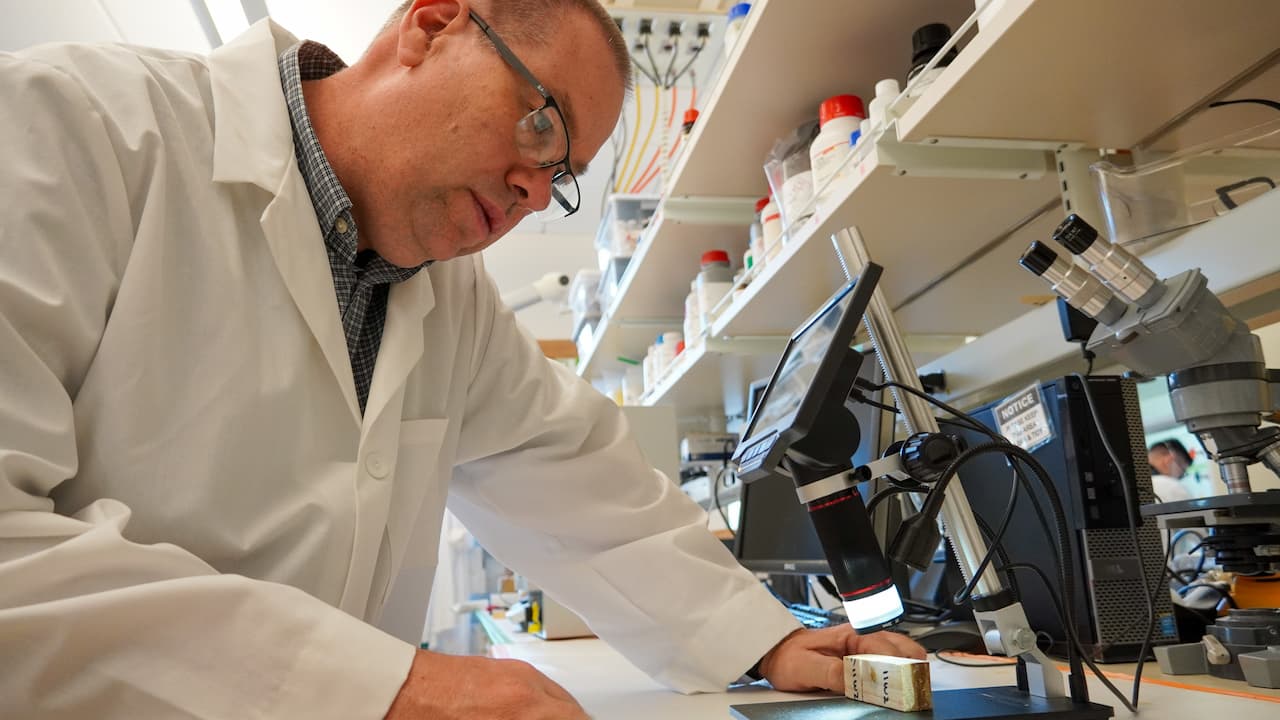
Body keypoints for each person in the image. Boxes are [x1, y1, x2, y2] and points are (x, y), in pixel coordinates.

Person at [0, 1, 923, 718]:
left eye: (560, 178)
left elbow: (585, 485)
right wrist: (380, 691)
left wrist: (762, 641)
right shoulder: (78, 125)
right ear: (432, 25)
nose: (533, 189)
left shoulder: (452, 303)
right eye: (539, 125)